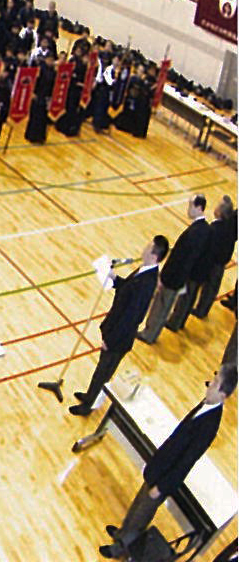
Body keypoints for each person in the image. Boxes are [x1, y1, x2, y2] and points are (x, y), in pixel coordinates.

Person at [98, 364, 237, 558]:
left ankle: (121, 547)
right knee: (138, 504)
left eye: (215, 382)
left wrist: (162, 486)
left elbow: (185, 463)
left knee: (142, 515)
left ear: (223, 394)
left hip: (165, 477)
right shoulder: (206, 404)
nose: (210, 384)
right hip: (159, 466)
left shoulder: (210, 425)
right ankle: (122, 532)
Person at [69, 236, 168, 417]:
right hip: (116, 331)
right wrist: (115, 279)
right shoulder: (144, 271)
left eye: (148, 246)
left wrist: (110, 339)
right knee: (101, 370)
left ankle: (88, 406)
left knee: (104, 372)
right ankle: (90, 396)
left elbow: (131, 317)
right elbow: (128, 290)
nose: (144, 248)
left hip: (119, 338)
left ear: (154, 255)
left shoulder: (147, 282)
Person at [138, 195, 210, 344]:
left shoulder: (195, 233)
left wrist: (164, 276)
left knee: (161, 306)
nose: (188, 209)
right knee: (165, 306)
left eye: (190, 206)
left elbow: (181, 258)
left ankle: (149, 334)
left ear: (198, 208)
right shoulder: (204, 229)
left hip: (174, 276)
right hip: (181, 275)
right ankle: (155, 331)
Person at [194, 196, 236, 320]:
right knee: (210, 285)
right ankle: (202, 308)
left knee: (210, 286)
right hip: (220, 257)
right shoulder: (227, 223)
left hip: (218, 259)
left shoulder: (220, 227)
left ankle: (202, 310)